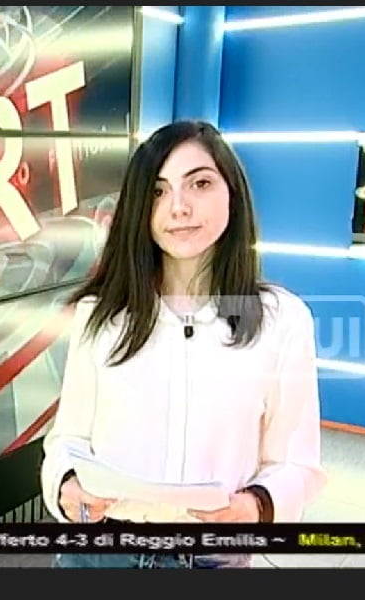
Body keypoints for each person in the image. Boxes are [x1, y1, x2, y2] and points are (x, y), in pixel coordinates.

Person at [41, 120, 327, 569]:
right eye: (158, 191)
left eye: (200, 183)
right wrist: (66, 483)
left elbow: (297, 463)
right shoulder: (101, 313)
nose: (178, 207)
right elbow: (67, 439)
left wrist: (256, 506)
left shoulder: (282, 320)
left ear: (232, 193)